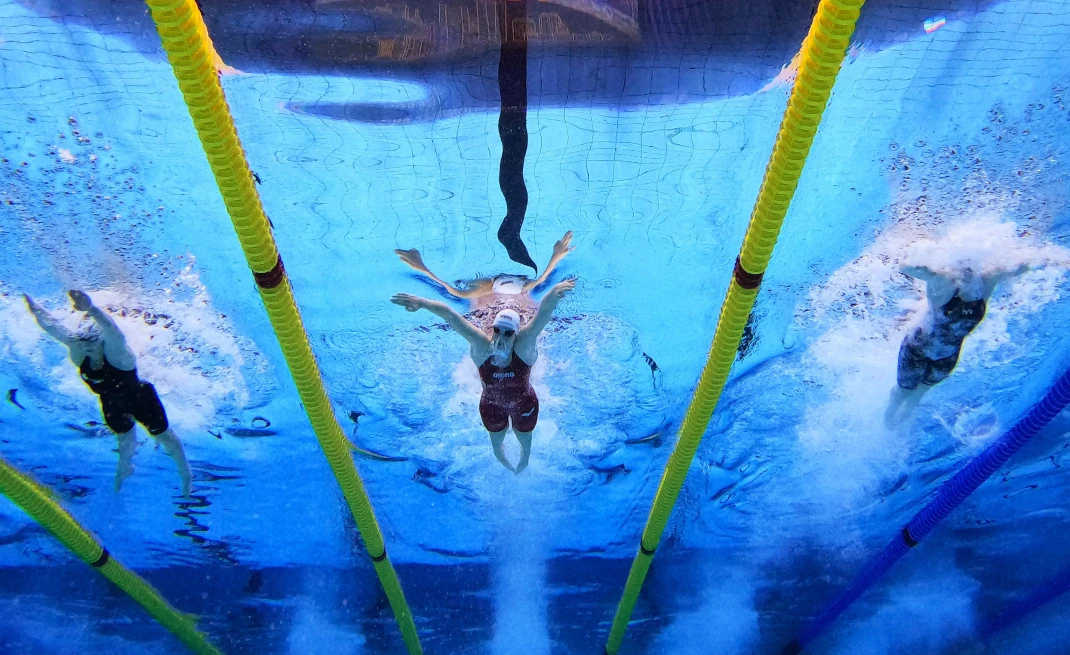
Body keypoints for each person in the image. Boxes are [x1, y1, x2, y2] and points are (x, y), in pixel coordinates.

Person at [390, 233, 576, 473]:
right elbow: (448, 313)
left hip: (525, 403)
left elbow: (545, 309)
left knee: (525, 445)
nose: (500, 337)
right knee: (497, 448)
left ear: (516, 333)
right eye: (497, 330)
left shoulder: (523, 340)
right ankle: (504, 461)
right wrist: (421, 297)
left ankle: (523, 461)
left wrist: (556, 266)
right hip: (491, 406)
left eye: (507, 333)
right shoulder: (483, 338)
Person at [25, 290, 192, 496]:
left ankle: (186, 472)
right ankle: (125, 468)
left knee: (163, 436)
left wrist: (91, 309)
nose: (86, 346)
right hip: (111, 402)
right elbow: (53, 327)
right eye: (82, 341)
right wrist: (33, 306)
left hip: (140, 398)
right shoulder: (79, 349)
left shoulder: (117, 355)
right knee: (124, 440)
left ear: (101, 340)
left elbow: (113, 331)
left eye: (91, 342)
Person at [883, 260, 1029, 427]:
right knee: (903, 392)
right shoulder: (943, 283)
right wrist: (922, 263)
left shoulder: (985, 282)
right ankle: (887, 422)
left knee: (918, 394)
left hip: (948, 357)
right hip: (917, 351)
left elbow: (1019, 266)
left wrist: (1045, 260)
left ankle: (897, 427)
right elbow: (907, 267)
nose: (968, 276)